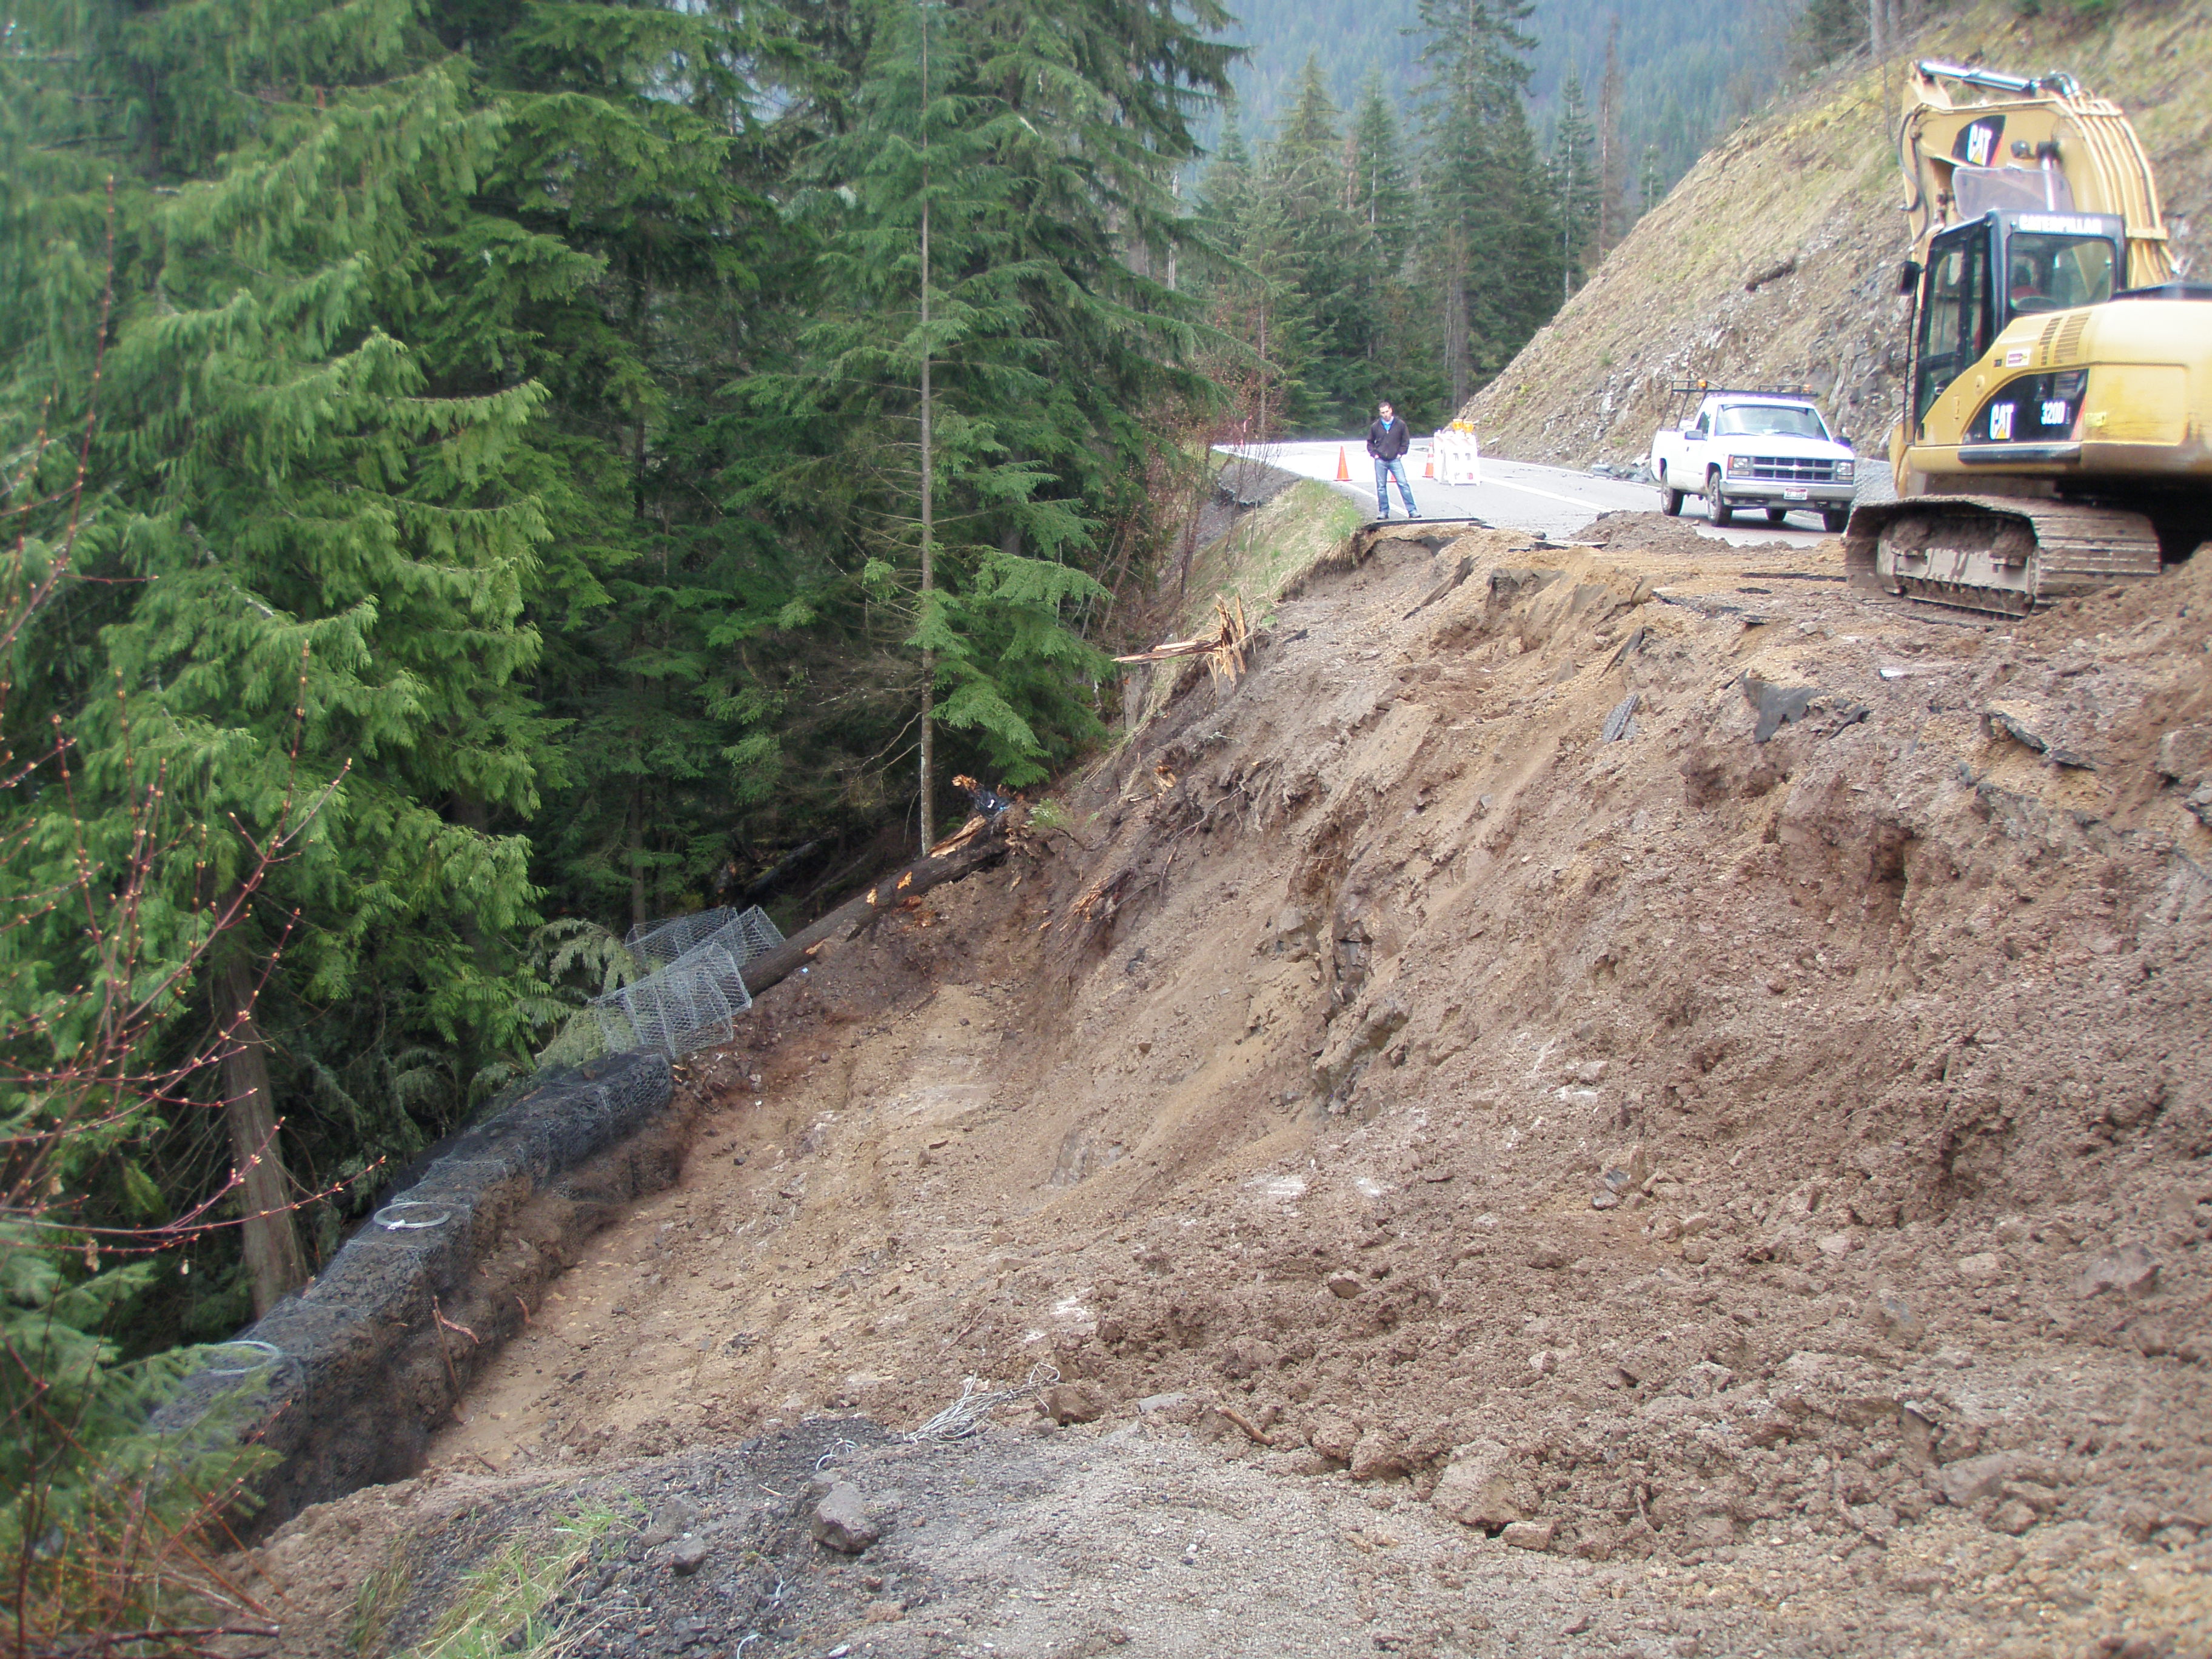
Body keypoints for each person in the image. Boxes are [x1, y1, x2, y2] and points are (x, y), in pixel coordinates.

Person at [1366, 401, 1419, 520]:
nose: (1385, 415)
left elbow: (1406, 440)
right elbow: (1370, 442)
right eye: (1382, 413)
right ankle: (1384, 511)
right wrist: (1374, 455)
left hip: (1395, 459)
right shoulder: (1375, 426)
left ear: (1391, 410)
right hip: (1380, 460)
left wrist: (1401, 453)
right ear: (1380, 413)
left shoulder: (1400, 425)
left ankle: (1412, 510)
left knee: (1403, 484)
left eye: (1387, 412)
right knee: (1381, 486)